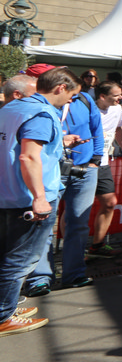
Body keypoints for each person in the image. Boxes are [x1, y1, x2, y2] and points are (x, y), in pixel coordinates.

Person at [0, 67, 82, 336]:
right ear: (61, 88)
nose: (71, 101)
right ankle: (3, 316)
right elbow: (29, 156)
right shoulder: (41, 112)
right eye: (72, 95)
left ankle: (6, 308)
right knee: (20, 259)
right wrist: (39, 197)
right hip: (26, 197)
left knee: (8, 255)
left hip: (7, 193)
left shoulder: (11, 108)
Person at [24, 66, 104, 296]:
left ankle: (74, 274)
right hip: (52, 170)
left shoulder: (85, 100)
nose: (71, 98)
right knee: (44, 225)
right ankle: (40, 278)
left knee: (78, 224)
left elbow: (96, 129)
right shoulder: (41, 105)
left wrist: (95, 160)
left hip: (84, 170)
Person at [86, 82, 122, 259]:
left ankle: (97, 245)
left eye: (121, 94)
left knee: (109, 203)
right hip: (84, 163)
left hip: (103, 163)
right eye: (116, 95)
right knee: (76, 208)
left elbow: (119, 128)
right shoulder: (88, 110)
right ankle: (72, 250)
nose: (121, 98)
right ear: (102, 96)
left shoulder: (117, 109)